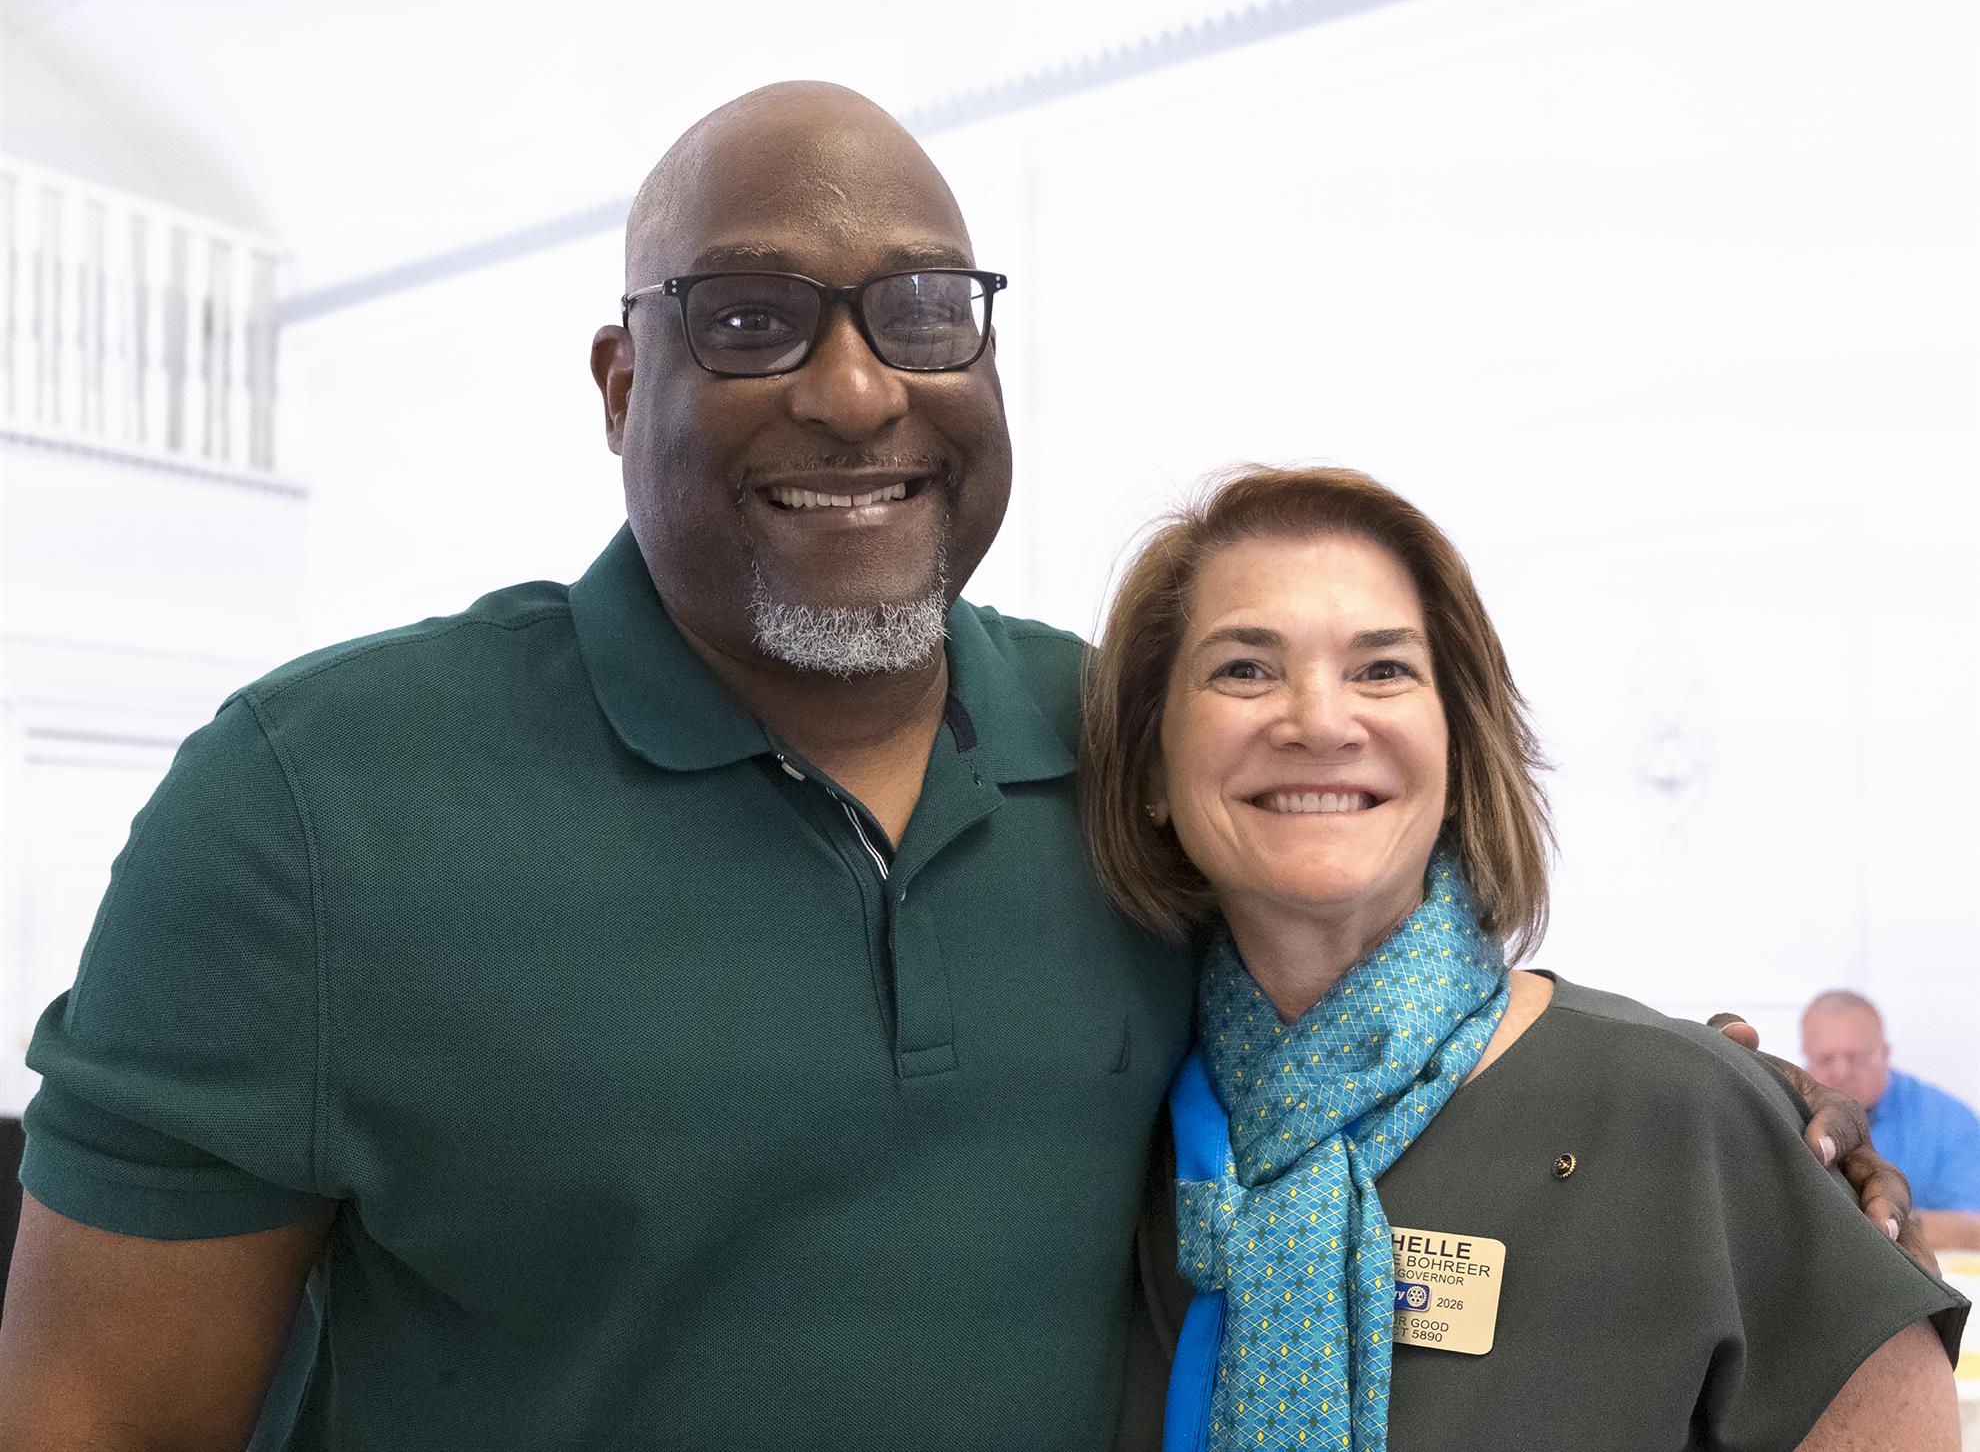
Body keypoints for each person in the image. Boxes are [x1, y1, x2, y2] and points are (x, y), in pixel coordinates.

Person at [0, 84, 1925, 1450]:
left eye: (925, 309)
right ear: (620, 381)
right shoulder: (315, 809)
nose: (857, 388)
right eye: (750, 317)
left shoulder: (1124, 762)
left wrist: (1750, 1128)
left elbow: (1373, 1005)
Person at [1079, 466, 1966, 1450]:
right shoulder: (1105, 1143)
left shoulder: (1696, 1115)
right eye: (1245, 669)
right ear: (1152, 765)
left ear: (1459, 753)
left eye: (1383, 669)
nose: (1321, 721)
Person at [1803, 989, 1980, 1253]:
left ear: (1885, 1053)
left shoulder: (1950, 1122)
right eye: (1826, 1059)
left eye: (1855, 1058)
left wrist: (1876, 1222)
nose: (1841, 1072)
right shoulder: (1785, 1114)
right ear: (1805, 1056)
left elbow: (1972, 1228)